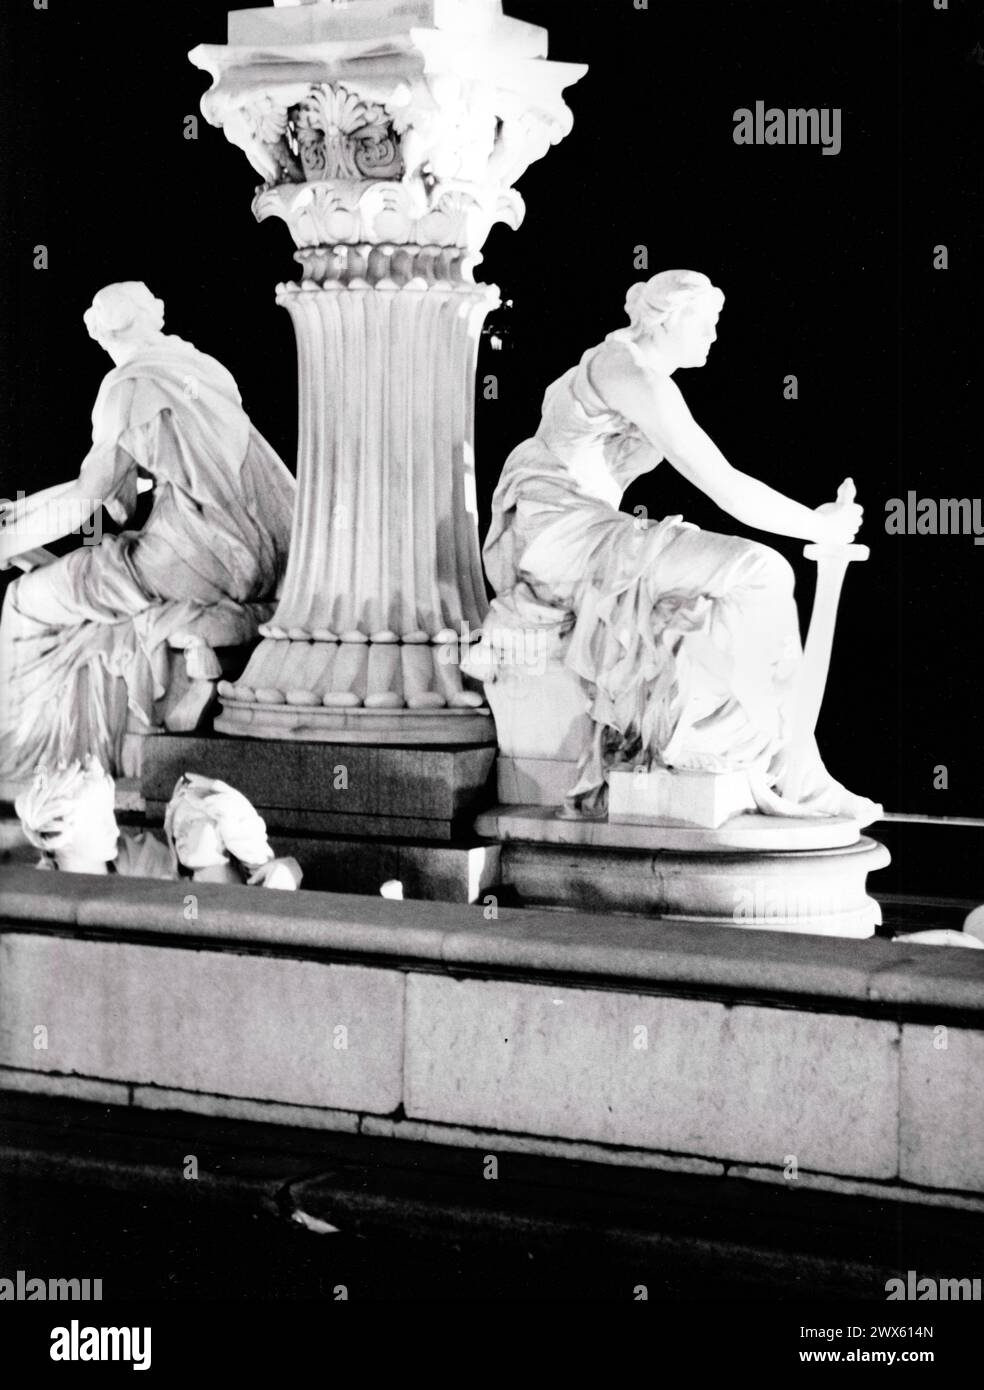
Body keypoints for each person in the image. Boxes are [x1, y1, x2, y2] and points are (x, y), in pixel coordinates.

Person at [472, 269, 880, 823]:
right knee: (761, 570)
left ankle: (769, 756)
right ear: (668, 316)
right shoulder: (630, 371)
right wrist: (818, 527)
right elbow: (726, 485)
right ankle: (767, 762)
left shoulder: (630, 370)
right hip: (563, 538)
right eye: (707, 321)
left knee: (723, 598)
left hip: (580, 531)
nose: (714, 335)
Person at [0, 282, 295, 781]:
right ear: (153, 317)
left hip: (198, 559)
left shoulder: (127, 387)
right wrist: (20, 517)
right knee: (100, 562)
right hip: (268, 553)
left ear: (99, 333)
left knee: (25, 598)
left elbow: (88, 503)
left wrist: (8, 541)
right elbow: (118, 484)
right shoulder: (199, 369)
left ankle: (27, 756)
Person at [15, 760, 302, 889]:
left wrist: (286, 869)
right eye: (101, 822)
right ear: (62, 834)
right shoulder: (33, 892)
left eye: (111, 817)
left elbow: (211, 890)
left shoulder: (145, 860)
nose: (115, 830)